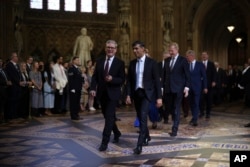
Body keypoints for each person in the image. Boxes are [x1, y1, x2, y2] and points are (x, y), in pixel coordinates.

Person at [126, 40, 162, 154]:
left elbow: (157, 81)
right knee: (140, 116)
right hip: (137, 93)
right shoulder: (132, 63)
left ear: (143, 49)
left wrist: (159, 97)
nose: (134, 51)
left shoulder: (152, 62)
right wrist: (128, 95)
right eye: (133, 49)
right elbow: (129, 82)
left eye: (136, 48)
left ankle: (139, 145)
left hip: (147, 94)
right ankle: (147, 136)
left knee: (142, 116)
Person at [89, 40, 125, 152]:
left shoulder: (120, 63)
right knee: (108, 117)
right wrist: (93, 88)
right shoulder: (99, 61)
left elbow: (122, 79)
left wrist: (112, 79)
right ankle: (117, 132)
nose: (110, 49)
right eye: (108, 47)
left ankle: (104, 142)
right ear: (105, 48)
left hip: (113, 94)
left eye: (112, 48)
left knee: (109, 118)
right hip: (102, 94)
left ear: (116, 50)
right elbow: (94, 77)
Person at [162, 42, 190, 137]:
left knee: (176, 108)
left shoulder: (183, 60)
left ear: (177, 50)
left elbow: (187, 75)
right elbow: (164, 75)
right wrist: (162, 87)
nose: (170, 52)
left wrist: (186, 87)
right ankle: (172, 123)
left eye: (172, 50)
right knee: (169, 108)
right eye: (169, 50)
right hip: (168, 89)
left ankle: (175, 129)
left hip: (178, 88)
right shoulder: (167, 60)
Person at [185, 50, 207, 126]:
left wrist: (205, 87)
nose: (186, 58)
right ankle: (194, 117)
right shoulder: (186, 65)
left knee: (196, 103)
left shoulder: (200, 64)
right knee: (191, 104)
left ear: (192, 56)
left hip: (197, 87)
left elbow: (204, 76)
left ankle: (195, 119)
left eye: (187, 56)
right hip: (188, 88)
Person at [199, 51, 216, 119]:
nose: (204, 56)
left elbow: (214, 73)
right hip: (201, 85)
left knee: (209, 100)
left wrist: (214, 81)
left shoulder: (211, 64)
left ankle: (208, 113)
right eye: (202, 55)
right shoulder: (199, 64)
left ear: (207, 56)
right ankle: (201, 112)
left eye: (205, 55)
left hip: (209, 85)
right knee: (201, 100)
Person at [5, 52, 21, 120]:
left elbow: (18, 74)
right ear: (12, 57)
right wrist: (18, 82)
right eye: (15, 56)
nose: (17, 57)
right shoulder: (9, 65)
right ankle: (11, 116)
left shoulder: (17, 65)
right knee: (12, 101)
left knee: (16, 100)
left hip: (17, 86)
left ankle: (15, 115)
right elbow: (11, 75)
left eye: (17, 56)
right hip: (13, 86)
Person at [68, 56, 84, 120]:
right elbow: (71, 79)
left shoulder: (78, 69)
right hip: (74, 89)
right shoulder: (71, 69)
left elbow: (79, 78)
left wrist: (82, 80)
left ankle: (76, 114)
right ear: (73, 61)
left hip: (78, 88)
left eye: (78, 60)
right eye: (77, 60)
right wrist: (72, 88)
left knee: (77, 102)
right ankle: (73, 115)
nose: (78, 61)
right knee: (73, 102)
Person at [158, 51, 171, 123]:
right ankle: (162, 114)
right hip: (159, 87)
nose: (166, 57)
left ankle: (166, 117)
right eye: (165, 56)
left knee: (168, 104)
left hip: (167, 87)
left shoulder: (170, 65)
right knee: (159, 103)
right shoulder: (158, 64)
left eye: (168, 56)